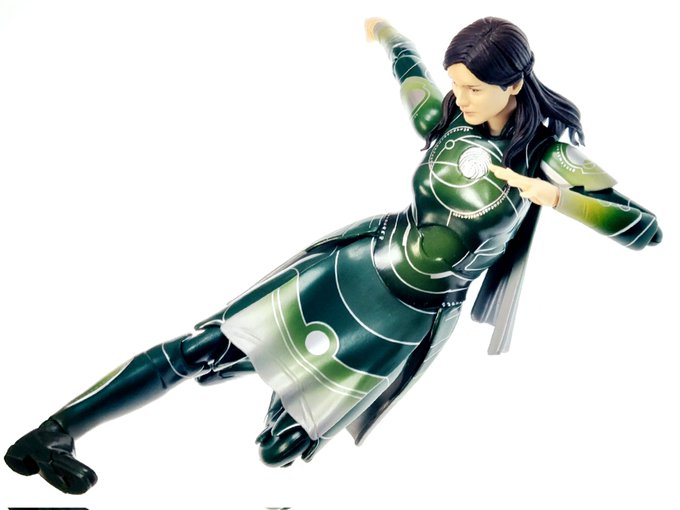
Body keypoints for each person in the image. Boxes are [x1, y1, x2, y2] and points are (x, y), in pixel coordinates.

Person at [4, 16, 662, 495]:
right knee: (205, 343)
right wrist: (390, 36)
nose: (458, 98)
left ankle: (270, 376)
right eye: (456, 84)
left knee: (278, 452)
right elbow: (411, 79)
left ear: (512, 85)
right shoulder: (446, 122)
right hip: (356, 265)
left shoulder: (548, 154)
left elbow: (644, 229)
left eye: (471, 89)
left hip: (404, 321)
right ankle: (56, 432)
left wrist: (552, 195)